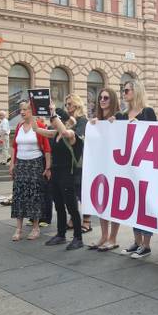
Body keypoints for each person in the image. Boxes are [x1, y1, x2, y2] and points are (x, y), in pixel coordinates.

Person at [114, 79, 157, 258]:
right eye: (123, 91)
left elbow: (155, 135)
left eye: (127, 91)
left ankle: (146, 245)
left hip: (145, 166)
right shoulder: (123, 115)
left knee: (145, 205)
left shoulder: (147, 112)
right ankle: (137, 241)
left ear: (136, 91)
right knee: (133, 204)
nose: (124, 94)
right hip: (129, 167)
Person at [35, 103, 84, 250]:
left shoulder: (71, 135)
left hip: (67, 175)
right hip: (56, 174)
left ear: (61, 121)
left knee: (72, 207)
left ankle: (78, 237)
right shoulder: (55, 134)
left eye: (54, 120)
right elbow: (37, 129)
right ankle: (61, 234)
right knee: (59, 206)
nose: (51, 122)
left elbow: (65, 131)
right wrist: (31, 114)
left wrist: (53, 113)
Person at [10, 101, 51, 241]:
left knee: (34, 196)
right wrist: (12, 164)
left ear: (32, 111)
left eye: (26, 109)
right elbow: (14, 146)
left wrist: (48, 167)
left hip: (35, 164)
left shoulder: (39, 126)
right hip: (21, 164)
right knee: (19, 195)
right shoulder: (19, 126)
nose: (22, 112)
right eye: (21, 109)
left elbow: (46, 149)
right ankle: (18, 228)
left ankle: (35, 227)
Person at [91, 86, 122, 252]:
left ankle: (113, 237)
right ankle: (103, 235)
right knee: (101, 201)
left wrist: (115, 125)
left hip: (115, 166)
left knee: (114, 202)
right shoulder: (96, 119)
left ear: (112, 100)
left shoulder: (118, 118)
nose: (102, 101)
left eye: (106, 98)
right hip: (99, 165)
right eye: (100, 98)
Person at [63, 94, 91, 235]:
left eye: (69, 104)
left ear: (77, 105)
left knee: (82, 193)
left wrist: (68, 127)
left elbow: (77, 137)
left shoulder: (82, 121)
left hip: (81, 162)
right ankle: (74, 218)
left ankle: (86, 221)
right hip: (69, 162)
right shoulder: (69, 121)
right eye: (66, 104)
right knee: (71, 192)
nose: (67, 107)